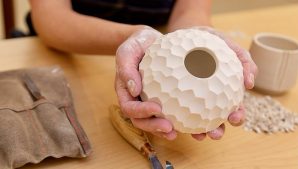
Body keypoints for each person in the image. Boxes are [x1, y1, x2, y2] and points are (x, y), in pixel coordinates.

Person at [29, 0, 257, 141]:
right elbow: (50, 17)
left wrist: (198, 34)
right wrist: (130, 38)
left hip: (160, 47)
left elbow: (190, 10)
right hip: (67, 52)